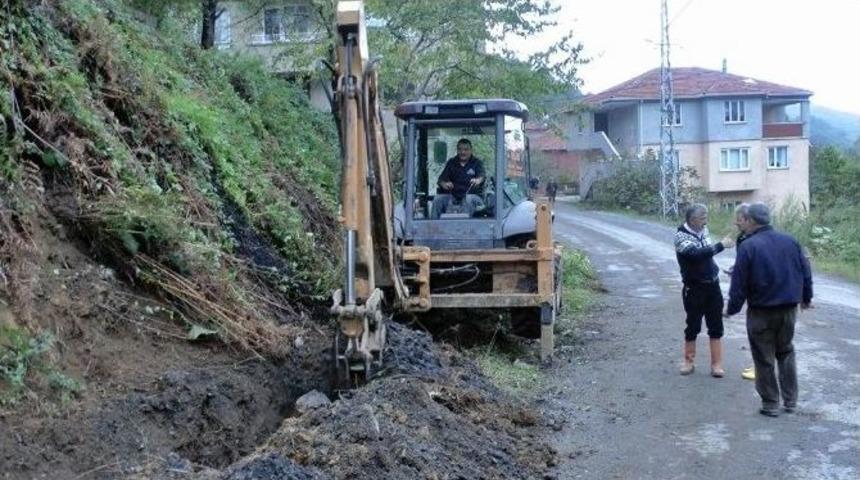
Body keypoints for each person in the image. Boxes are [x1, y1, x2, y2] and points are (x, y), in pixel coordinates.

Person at [725, 203, 812, 417]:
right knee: (786, 351)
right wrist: (806, 298)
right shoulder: (790, 240)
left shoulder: (748, 246)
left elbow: (739, 283)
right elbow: (805, 270)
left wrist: (732, 309)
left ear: (752, 221)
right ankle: (791, 401)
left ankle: (771, 404)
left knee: (764, 357)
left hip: (761, 311)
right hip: (788, 310)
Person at [674, 204, 735, 377]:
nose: (706, 220)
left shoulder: (704, 230)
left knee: (716, 325)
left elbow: (707, 256)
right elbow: (696, 255)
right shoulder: (680, 236)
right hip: (694, 288)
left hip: (713, 285)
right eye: (703, 218)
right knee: (692, 325)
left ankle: (716, 364)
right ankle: (688, 361)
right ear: (692, 220)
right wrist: (721, 245)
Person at [432, 138, 485, 218]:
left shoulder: (477, 163)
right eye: (460, 149)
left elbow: (482, 177)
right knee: (437, 199)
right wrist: (445, 184)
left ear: (471, 150)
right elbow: (441, 180)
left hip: (472, 196)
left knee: (468, 199)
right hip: (453, 196)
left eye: (466, 149)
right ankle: (433, 227)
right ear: (457, 150)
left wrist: (477, 180)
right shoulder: (452, 162)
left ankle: (467, 228)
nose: (462, 152)